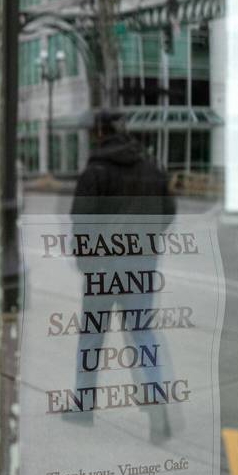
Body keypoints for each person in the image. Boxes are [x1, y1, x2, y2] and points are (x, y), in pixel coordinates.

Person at [68, 110, 177, 443]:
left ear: (100, 132)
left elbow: (81, 222)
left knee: (92, 336)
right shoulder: (151, 167)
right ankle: (156, 404)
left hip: (103, 266)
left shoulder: (95, 170)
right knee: (142, 334)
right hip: (142, 265)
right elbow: (168, 211)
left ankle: (84, 407)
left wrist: (86, 261)